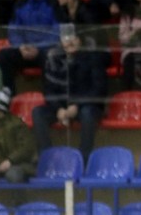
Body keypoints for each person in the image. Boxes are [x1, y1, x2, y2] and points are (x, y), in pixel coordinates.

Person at [32, 24, 108, 161]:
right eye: (66, 39)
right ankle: (47, 157)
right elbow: (48, 89)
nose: (70, 42)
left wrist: (76, 105)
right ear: (61, 41)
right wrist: (59, 109)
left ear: (80, 40)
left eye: (74, 38)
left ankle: (83, 159)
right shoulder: (54, 59)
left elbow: (99, 89)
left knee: (87, 113)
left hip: (87, 106)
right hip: (62, 107)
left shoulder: (94, 58)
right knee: (38, 112)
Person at [0, 0, 59, 92]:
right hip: (25, 50)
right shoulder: (20, 4)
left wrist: (38, 48)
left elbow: (57, 34)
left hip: (44, 50)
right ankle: (9, 94)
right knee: (3, 55)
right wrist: (21, 46)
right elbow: (13, 31)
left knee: (51, 56)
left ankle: (49, 96)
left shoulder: (54, 4)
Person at [0, 88, 39, 183]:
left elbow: (27, 148)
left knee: (14, 174)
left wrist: (10, 161)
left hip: (20, 164)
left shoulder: (17, 125)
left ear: (0, 110)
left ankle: (17, 198)